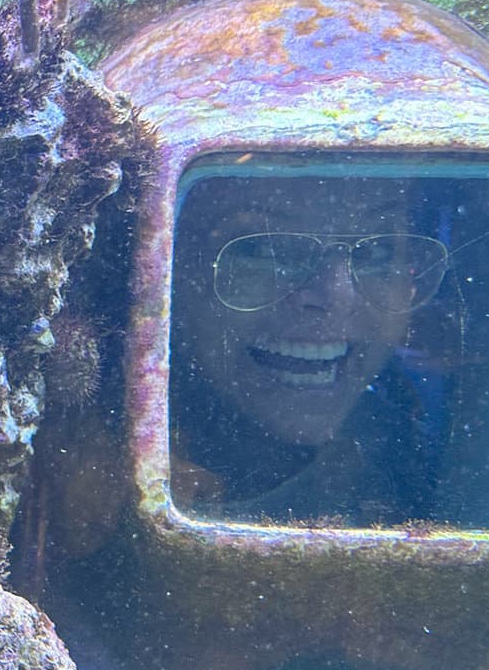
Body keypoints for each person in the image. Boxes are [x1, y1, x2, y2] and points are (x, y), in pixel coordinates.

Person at [167, 173, 449, 525]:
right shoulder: (96, 469)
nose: (337, 296)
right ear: (166, 267)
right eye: (263, 249)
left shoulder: (423, 452)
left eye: (378, 251)